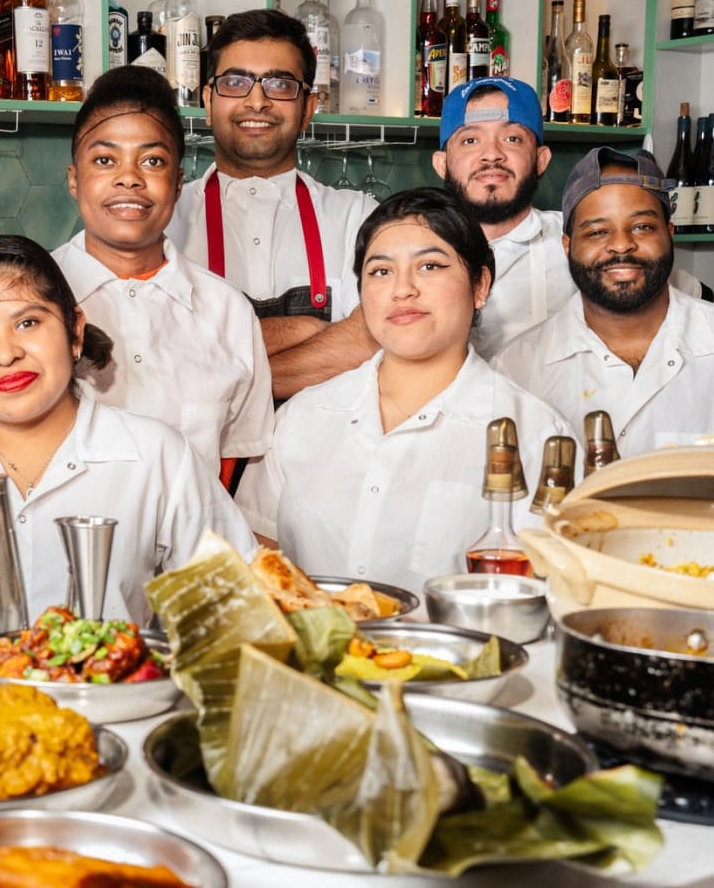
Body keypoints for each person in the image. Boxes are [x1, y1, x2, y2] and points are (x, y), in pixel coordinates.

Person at [0, 235, 257, 624]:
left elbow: (236, 613)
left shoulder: (159, 456)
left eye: (28, 323)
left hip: (107, 687)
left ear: (75, 332)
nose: (6, 353)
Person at [236, 188, 574, 598]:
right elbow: (256, 561)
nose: (403, 290)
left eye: (429, 266)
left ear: (480, 285)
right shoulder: (303, 416)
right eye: (380, 271)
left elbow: (551, 592)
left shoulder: (535, 435)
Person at [55, 65, 273, 476]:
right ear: (74, 180)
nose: (129, 179)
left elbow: (234, 465)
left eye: (152, 161)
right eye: (105, 160)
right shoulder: (17, 300)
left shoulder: (227, 311)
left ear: (176, 183)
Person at [165, 9, 378, 400]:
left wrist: (218, 383)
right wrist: (306, 331)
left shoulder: (359, 218)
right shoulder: (164, 222)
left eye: (279, 84)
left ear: (308, 109)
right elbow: (160, 359)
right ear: (208, 102)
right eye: (235, 82)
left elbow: (370, 342)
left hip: (320, 457)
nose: (257, 101)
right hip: (200, 459)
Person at [433, 76, 706, 357]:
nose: (491, 155)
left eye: (512, 138)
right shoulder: (417, 251)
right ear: (441, 164)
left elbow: (691, 298)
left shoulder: (588, 239)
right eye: (470, 140)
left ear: (541, 159)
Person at [494, 147, 714, 456]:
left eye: (642, 227)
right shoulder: (516, 368)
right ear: (567, 246)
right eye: (597, 231)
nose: (622, 244)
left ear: (669, 233)